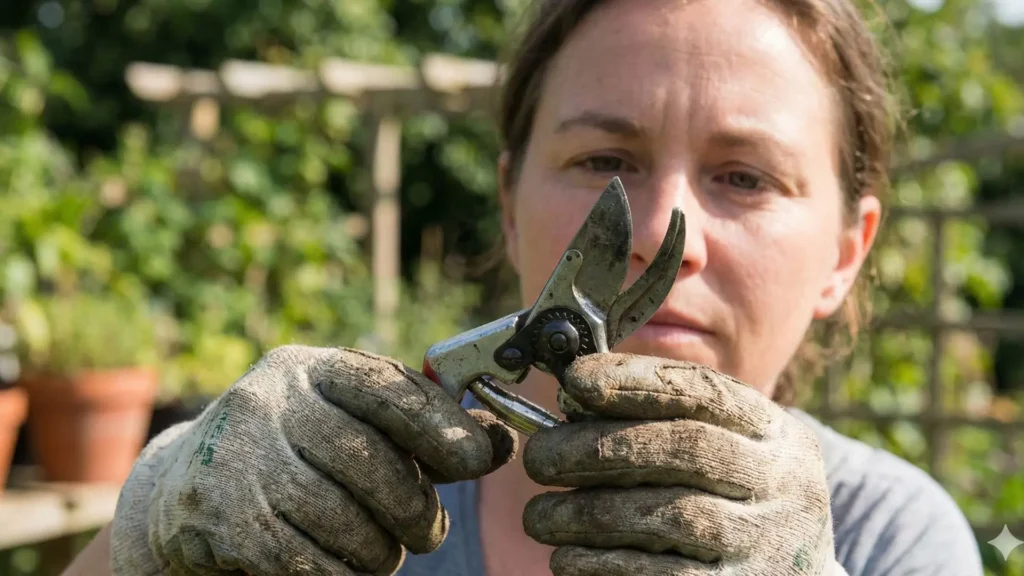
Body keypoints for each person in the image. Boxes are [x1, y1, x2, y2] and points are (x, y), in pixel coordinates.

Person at [65, 0, 985, 574]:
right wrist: (150, 530)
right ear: (509, 203)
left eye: (745, 176)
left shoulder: (889, 540)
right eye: (604, 159)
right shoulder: (326, 485)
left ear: (845, 253)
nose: (670, 239)